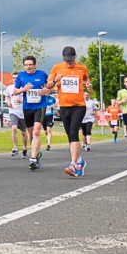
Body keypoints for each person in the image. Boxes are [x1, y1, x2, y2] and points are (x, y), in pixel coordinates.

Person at [43, 46, 92, 177]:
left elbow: (87, 79)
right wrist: (55, 80)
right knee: (70, 136)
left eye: (70, 59)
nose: (68, 62)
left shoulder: (82, 68)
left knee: (74, 132)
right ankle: (80, 161)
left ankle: (73, 164)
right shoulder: (57, 67)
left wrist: (88, 85)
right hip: (64, 106)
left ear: (75, 57)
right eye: (66, 60)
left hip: (79, 105)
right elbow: (48, 86)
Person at [11, 55, 49, 170]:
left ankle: (32, 158)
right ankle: (36, 152)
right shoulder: (21, 76)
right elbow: (15, 91)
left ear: (34, 65)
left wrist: (47, 90)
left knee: (37, 132)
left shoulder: (42, 74)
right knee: (31, 134)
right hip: (27, 107)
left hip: (40, 106)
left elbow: (52, 87)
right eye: (26, 65)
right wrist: (24, 89)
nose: (28, 67)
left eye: (30, 65)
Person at [6, 81, 27, 158]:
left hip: (23, 112)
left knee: (23, 132)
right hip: (13, 111)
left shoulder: (24, 87)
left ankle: (24, 148)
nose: (15, 80)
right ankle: (15, 148)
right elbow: (7, 96)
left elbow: (30, 99)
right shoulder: (9, 87)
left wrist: (22, 101)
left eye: (17, 78)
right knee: (14, 128)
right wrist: (8, 102)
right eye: (14, 78)